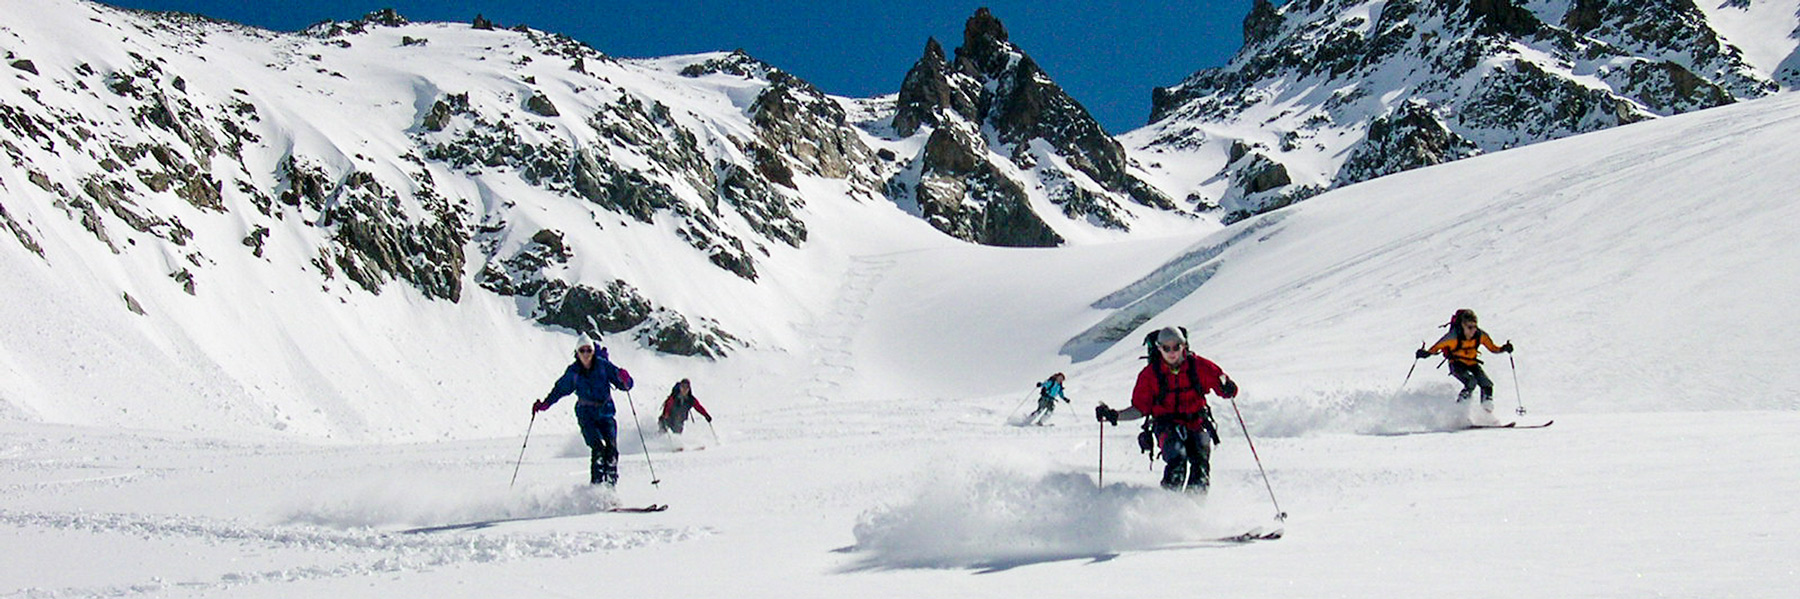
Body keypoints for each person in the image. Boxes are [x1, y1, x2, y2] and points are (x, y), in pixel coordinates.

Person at [1095, 326, 1238, 493]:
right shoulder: (1150, 375)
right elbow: (1140, 408)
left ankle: (1195, 507)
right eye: (1166, 348)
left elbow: (1225, 387)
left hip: (1196, 423)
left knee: (1200, 465)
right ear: (1159, 348)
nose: (1172, 352)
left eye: (1176, 346)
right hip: (1166, 426)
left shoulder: (1200, 367)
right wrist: (1115, 415)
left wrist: (1228, 388)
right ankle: (1168, 508)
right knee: (1177, 461)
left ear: (1184, 345)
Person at [533, 339, 633, 486]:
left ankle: (610, 490)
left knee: (612, 452)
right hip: (586, 415)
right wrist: (545, 404)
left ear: (593, 352)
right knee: (598, 450)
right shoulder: (573, 372)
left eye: (589, 350)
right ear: (577, 353)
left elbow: (625, 385)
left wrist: (626, 379)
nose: (586, 354)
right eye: (582, 350)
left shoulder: (604, 366)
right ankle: (596, 488)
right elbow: (559, 390)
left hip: (606, 413)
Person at [1415, 308, 1513, 412]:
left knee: (1487, 384)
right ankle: (1459, 410)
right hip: (1457, 364)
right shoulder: (1452, 337)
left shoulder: (1480, 335)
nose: (1473, 330)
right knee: (1471, 381)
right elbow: (1435, 348)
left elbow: (1493, 348)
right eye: (1469, 327)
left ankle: (1486, 412)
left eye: (1475, 327)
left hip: (1472, 363)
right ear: (1462, 325)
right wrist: (1425, 354)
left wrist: (1504, 348)